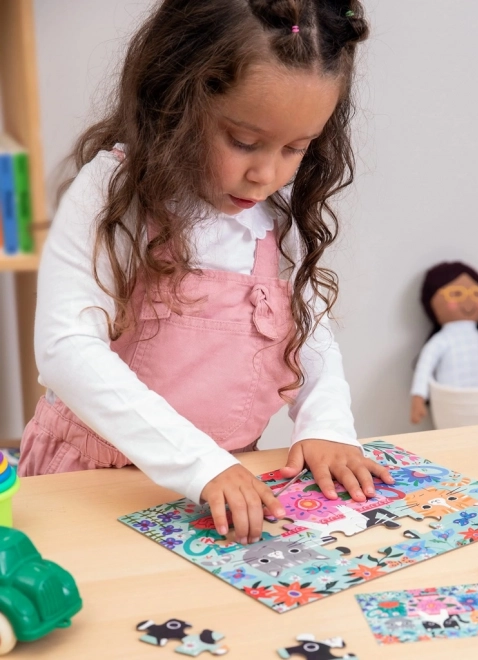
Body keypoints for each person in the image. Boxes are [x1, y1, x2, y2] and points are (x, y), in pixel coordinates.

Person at [18, 0, 393, 545]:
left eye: (296, 147)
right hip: (96, 483)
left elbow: (309, 329)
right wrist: (198, 464)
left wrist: (328, 423)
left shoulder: (276, 209)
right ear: (175, 101)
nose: (266, 173)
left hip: (221, 488)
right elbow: (66, 350)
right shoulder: (112, 195)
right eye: (243, 142)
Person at [410, 261, 478, 424]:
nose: (468, 300)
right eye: (456, 294)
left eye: (476, 294)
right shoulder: (441, 341)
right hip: (452, 409)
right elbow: (424, 368)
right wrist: (418, 397)